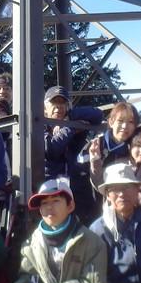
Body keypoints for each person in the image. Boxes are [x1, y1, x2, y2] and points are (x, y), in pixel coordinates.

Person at [42, 85, 104, 221]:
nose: (58, 107)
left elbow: (98, 115)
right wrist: (70, 128)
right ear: (45, 107)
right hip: (51, 190)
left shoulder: (71, 119)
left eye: (62, 103)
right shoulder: (39, 125)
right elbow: (51, 150)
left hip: (76, 188)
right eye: (54, 103)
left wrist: (69, 118)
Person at [87, 102, 139, 182]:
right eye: (120, 120)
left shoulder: (134, 151)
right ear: (111, 122)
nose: (124, 126)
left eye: (131, 122)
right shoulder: (95, 145)